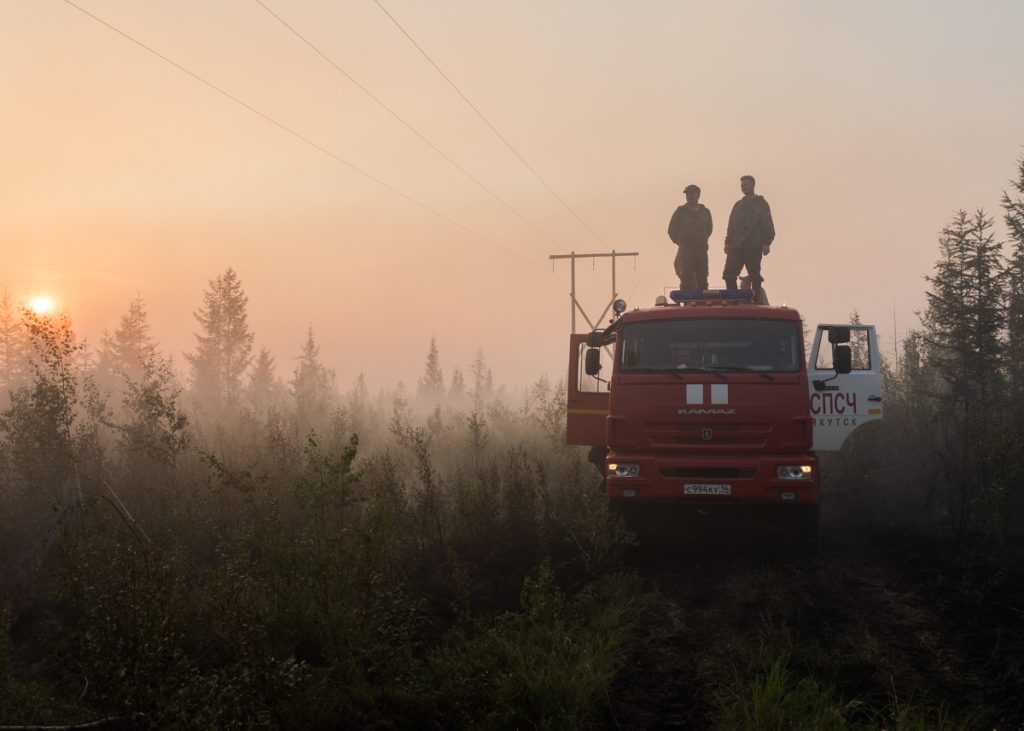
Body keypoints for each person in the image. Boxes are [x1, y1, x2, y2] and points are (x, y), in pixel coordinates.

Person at [723, 175, 775, 298]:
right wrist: (727, 242)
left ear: (752, 185)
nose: (743, 188)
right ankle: (734, 300)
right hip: (736, 247)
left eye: (745, 185)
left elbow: (768, 224)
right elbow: (731, 226)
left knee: (755, 276)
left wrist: (767, 243)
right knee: (729, 275)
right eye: (741, 185)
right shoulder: (738, 205)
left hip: (754, 246)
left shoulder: (761, 204)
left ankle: (756, 300)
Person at [667, 184, 713, 290]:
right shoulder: (680, 212)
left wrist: (702, 240)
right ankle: (687, 302)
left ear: (698, 195)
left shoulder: (705, 212)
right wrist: (681, 242)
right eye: (687, 194)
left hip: (701, 251)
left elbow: (709, 229)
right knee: (686, 279)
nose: (689, 196)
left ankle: (702, 304)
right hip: (686, 252)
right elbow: (671, 230)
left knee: (703, 278)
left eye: (692, 193)